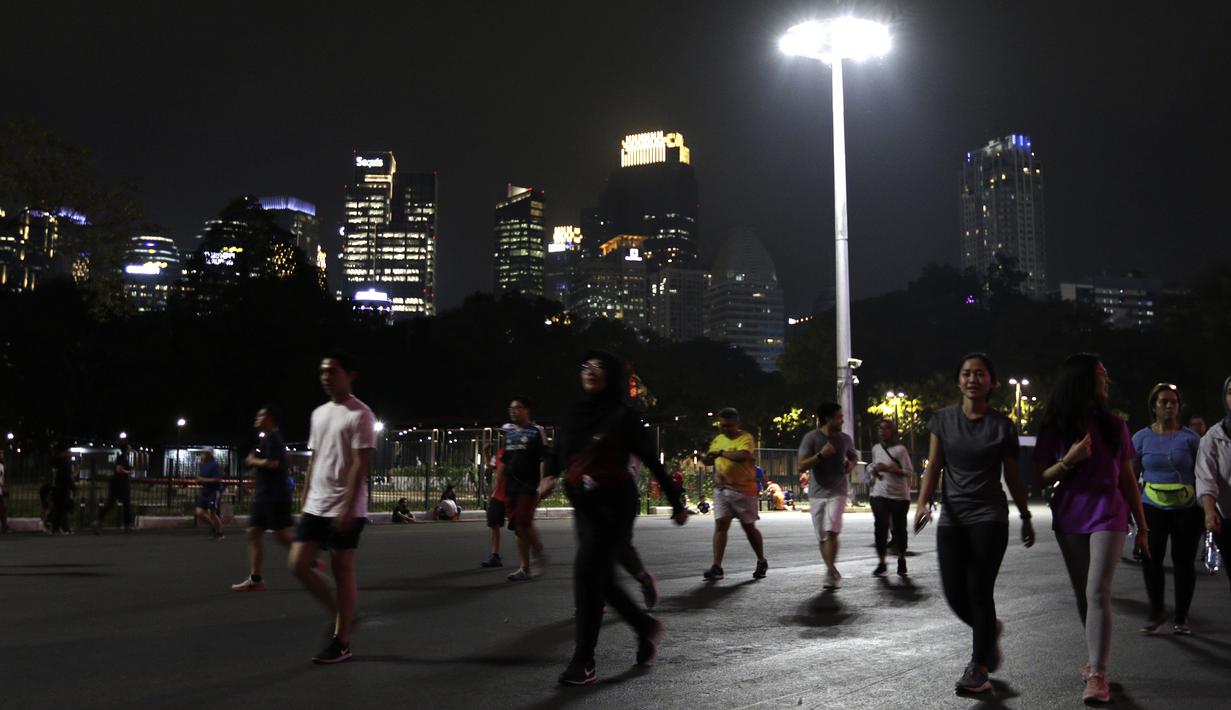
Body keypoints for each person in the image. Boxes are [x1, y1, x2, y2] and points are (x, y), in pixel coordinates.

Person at [543, 350, 689, 686]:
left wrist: (676, 502)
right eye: (586, 366)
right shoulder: (573, 413)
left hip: (616, 502)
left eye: (598, 367)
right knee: (600, 579)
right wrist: (549, 475)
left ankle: (584, 661)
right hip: (584, 503)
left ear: (610, 375)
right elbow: (557, 450)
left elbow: (651, 459)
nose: (591, 371)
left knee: (586, 572)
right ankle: (644, 627)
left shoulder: (622, 416)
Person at [912, 352, 1035, 695]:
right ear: (958, 380)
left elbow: (1012, 475)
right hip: (952, 517)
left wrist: (1025, 516)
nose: (972, 379)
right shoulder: (942, 420)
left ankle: (977, 666)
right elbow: (934, 465)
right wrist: (922, 503)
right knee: (954, 593)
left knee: (979, 589)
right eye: (966, 373)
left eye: (980, 374)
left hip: (989, 517)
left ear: (991, 382)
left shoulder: (1002, 425)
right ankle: (988, 632)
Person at [1034, 354, 1151, 704]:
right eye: (1102, 374)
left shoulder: (1116, 425)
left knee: (1098, 590)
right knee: (1084, 593)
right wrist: (1069, 460)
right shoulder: (1054, 425)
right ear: (1083, 379)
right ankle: (1093, 658)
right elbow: (1041, 476)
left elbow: (1128, 479)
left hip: (1108, 513)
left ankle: (1098, 675)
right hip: (1070, 515)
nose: (1108, 381)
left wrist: (1142, 526)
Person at [288, 351, 375, 665]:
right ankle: (343, 615)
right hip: (316, 503)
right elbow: (315, 458)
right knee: (298, 564)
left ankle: (342, 642)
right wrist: (306, 492)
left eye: (333, 371)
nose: (326, 377)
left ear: (350, 375)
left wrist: (348, 506)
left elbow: (359, 465)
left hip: (345, 505)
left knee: (342, 571)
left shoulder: (361, 414)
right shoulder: (318, 413)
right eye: (323, 372)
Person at [1133, 383, 1203, 635]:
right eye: (1163, 402)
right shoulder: (1140, 438)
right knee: (1151, 560)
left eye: (1173, 402)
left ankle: (1181, 617)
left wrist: (1206, 508)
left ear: (1179, 407)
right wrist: (1132, 511)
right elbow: (1130, 476)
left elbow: (1203, 474)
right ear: (1154, 406)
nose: (1169, 406)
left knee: (1183, 562)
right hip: (1151, 506)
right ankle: (1157, 612)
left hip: (1187, 508)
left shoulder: (1191, 439)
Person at [232, 406, 295, 592]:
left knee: (280, 536)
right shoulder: (266, 438)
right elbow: (254, 458)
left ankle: (307, 558)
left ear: (270, 418)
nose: (257, 418)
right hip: (266, 495)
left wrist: (253, 461)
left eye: (261, 415)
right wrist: (253, 459)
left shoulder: (274, 437)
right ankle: (256, 579)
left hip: (273, 496)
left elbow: (272, 463)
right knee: (254, 534)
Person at [701, 408, 768, 581]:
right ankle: (717, 566)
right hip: (722, 489)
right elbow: (710, 458)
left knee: (749, 528)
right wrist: (706, 459)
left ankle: (761, 560)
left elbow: (743, 456)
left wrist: (721, 453)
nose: (725, 429)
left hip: (743, 490)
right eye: (722, 425)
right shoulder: (718, 439)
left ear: (737, 423)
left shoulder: (746, 438)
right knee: (721, 525)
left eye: (729, 425)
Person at [797, 403, 858, 589]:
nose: (842, 420)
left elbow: (853, 456)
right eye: (839, 417)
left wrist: (851, 464)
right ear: (828, 419)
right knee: (822, 537)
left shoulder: (845, 439)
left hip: (838, 490)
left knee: (832, 531)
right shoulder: (811, 438)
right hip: (817, 493)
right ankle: (831, 569)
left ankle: (830, 572)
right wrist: (821, 455)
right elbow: (801, 466)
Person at [501, 397, 549, 581]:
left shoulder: (537, 431)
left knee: (523, 520)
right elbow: (504, 462)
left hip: (528, 485)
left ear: (527, 410)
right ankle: (524, 567)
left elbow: (543, 458)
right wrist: (496, 484)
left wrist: (542, 482)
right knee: (517, 527)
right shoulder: (509, 435)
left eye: (518, 408)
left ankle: (539, 553)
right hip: (511, 487)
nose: (513, 411)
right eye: (511, 408)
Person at [1195, 375, 1231, 594]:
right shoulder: (1213, 437)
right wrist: (1209, 511)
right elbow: (1205, 477)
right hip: (1227, 520)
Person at [869, 418, 914, 578]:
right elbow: (874, 466)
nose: (882, 431)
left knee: (900, 528)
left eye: (886, 428)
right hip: (879, 493)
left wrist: (889, 469)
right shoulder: (876, 448)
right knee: (880, 527)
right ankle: (882, 562)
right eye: (880, 428)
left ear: (892, 431)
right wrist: (875, 471)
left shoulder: (900, 450)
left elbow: (908, 471)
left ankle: (901, 559)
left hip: (899, 496)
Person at [481, 438, 512, 566]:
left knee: (521, 528)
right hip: (498, 495)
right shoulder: (500, 453)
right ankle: (495, 555)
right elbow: (491, 465)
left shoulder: (517, 454)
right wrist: (486, 453)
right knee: (494, 524)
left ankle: (530, 555)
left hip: (513, 495)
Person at [96, 443, 136, 533]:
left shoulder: (124, 458)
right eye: (129, 448)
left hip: (120, 484)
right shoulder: (122, 458)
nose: (130, 450)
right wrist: (129, 472)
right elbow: (118, 469)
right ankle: (98, 521)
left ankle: (127, 525)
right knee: (117, 504)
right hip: (119, 485)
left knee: (124, 504)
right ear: (126, 449)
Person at [194, 448, 225, 540]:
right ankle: (214, 527)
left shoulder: (214, 465)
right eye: (203, 453)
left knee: (212, 513)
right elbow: (202, 477)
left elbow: (217, 479)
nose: (202, 455)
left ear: (209, 455)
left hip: (214, 491)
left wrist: (203, 479)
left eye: (205, 453)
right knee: (199, 512)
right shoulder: (202, 465)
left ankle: (220, 533)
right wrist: (199, 480)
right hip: (205, 491)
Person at [49, 443, 76, 534]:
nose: (70, 453)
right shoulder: (64, 462)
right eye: (68, 452)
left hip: (59, 488)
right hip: (63, 489)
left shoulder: (58, 461)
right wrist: (72, 486)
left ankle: (58, 528)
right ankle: (58, 527)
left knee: (60, 509)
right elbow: (66, 477)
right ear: (64, 453)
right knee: (61, 509)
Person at [0, 450, 9, 534]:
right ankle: (4, 527)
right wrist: (3, 486)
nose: (2, 455)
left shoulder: (2, 466)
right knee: (3, 508)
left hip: (1, 491)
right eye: (0, 453)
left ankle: (4, 527)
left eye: (2, 453)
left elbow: (2, 478)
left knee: (3, 508)